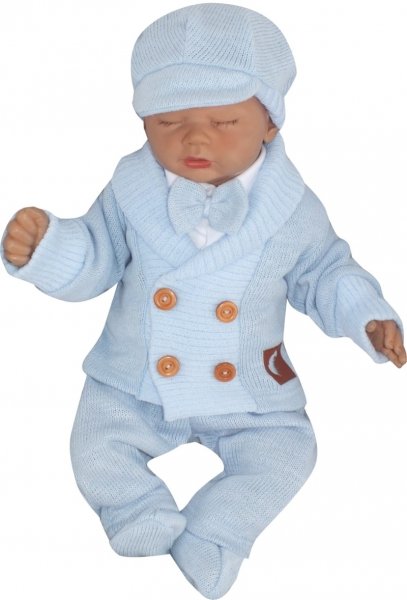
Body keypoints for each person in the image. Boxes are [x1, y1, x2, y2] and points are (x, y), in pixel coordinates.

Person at [1, 4, 405, 599]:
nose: (194, 137)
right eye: (169, 120)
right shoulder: (129, 192)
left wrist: (367, 316)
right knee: (94, 443)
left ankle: (218, 529)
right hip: (136, 380)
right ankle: (134, 508)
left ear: (270, 124)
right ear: (143, 122)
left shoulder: (292, 207)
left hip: (246, 388)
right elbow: (95, 258)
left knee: (290, 452)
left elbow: (325, 272)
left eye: (224, 120)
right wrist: (49, 248)